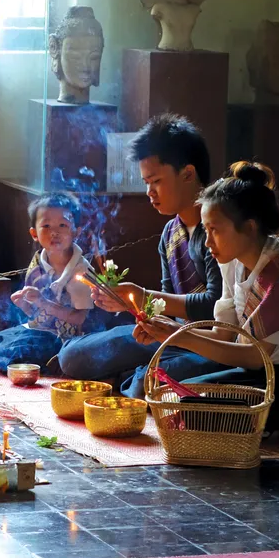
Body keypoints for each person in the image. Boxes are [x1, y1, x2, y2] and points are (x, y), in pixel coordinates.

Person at [134, 162, 279, 431]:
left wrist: (179, 335)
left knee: (191, 405)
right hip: (266, 370)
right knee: (179, 394)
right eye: (206, 230)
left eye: (214, 230)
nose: (207, 242)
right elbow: (223, 335)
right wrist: (166, 332)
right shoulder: (233, 263)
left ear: (249, 227)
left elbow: (253, 356)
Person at [58, 114, 224, 395]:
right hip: (170, 337)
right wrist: (130, 305)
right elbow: (166, 307)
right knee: (72, 356)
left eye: (156, 181)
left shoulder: (218, 230)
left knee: (144, 384)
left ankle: (135, 376)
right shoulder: (170, 233)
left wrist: (144, 295)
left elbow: (213, 305)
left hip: (208, 344)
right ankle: (134, 373)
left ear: (187, 174)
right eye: (146, 182)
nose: (149, 192)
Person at [0, 192, 99, 374]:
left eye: (63, 225)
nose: (54, 232)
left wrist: (43, 303)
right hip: (38, 331)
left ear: (76, 231)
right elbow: (35, 313)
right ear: (34, 233)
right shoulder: (38, 262)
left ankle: (46, 364)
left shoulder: (81, 271)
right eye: (46, 226)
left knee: (8, 353)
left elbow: (79, 318)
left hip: (66, 340)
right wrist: (24, 304)